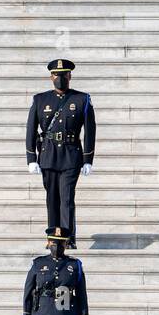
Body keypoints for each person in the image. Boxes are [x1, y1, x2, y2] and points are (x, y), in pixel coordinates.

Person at [25, 59, 95, 249]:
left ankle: (68, 237)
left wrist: (88, 159)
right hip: (48, 155)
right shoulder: (40, 100)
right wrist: (31, 158)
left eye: (64, 75)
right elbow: (31, 129)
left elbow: (90, 130)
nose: (60, 78)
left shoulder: (82, 99)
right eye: (57, 75)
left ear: (70, 76)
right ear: (51, 77)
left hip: (71, 155)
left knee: (66, 199)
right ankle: (53, 237)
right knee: (52, 199)